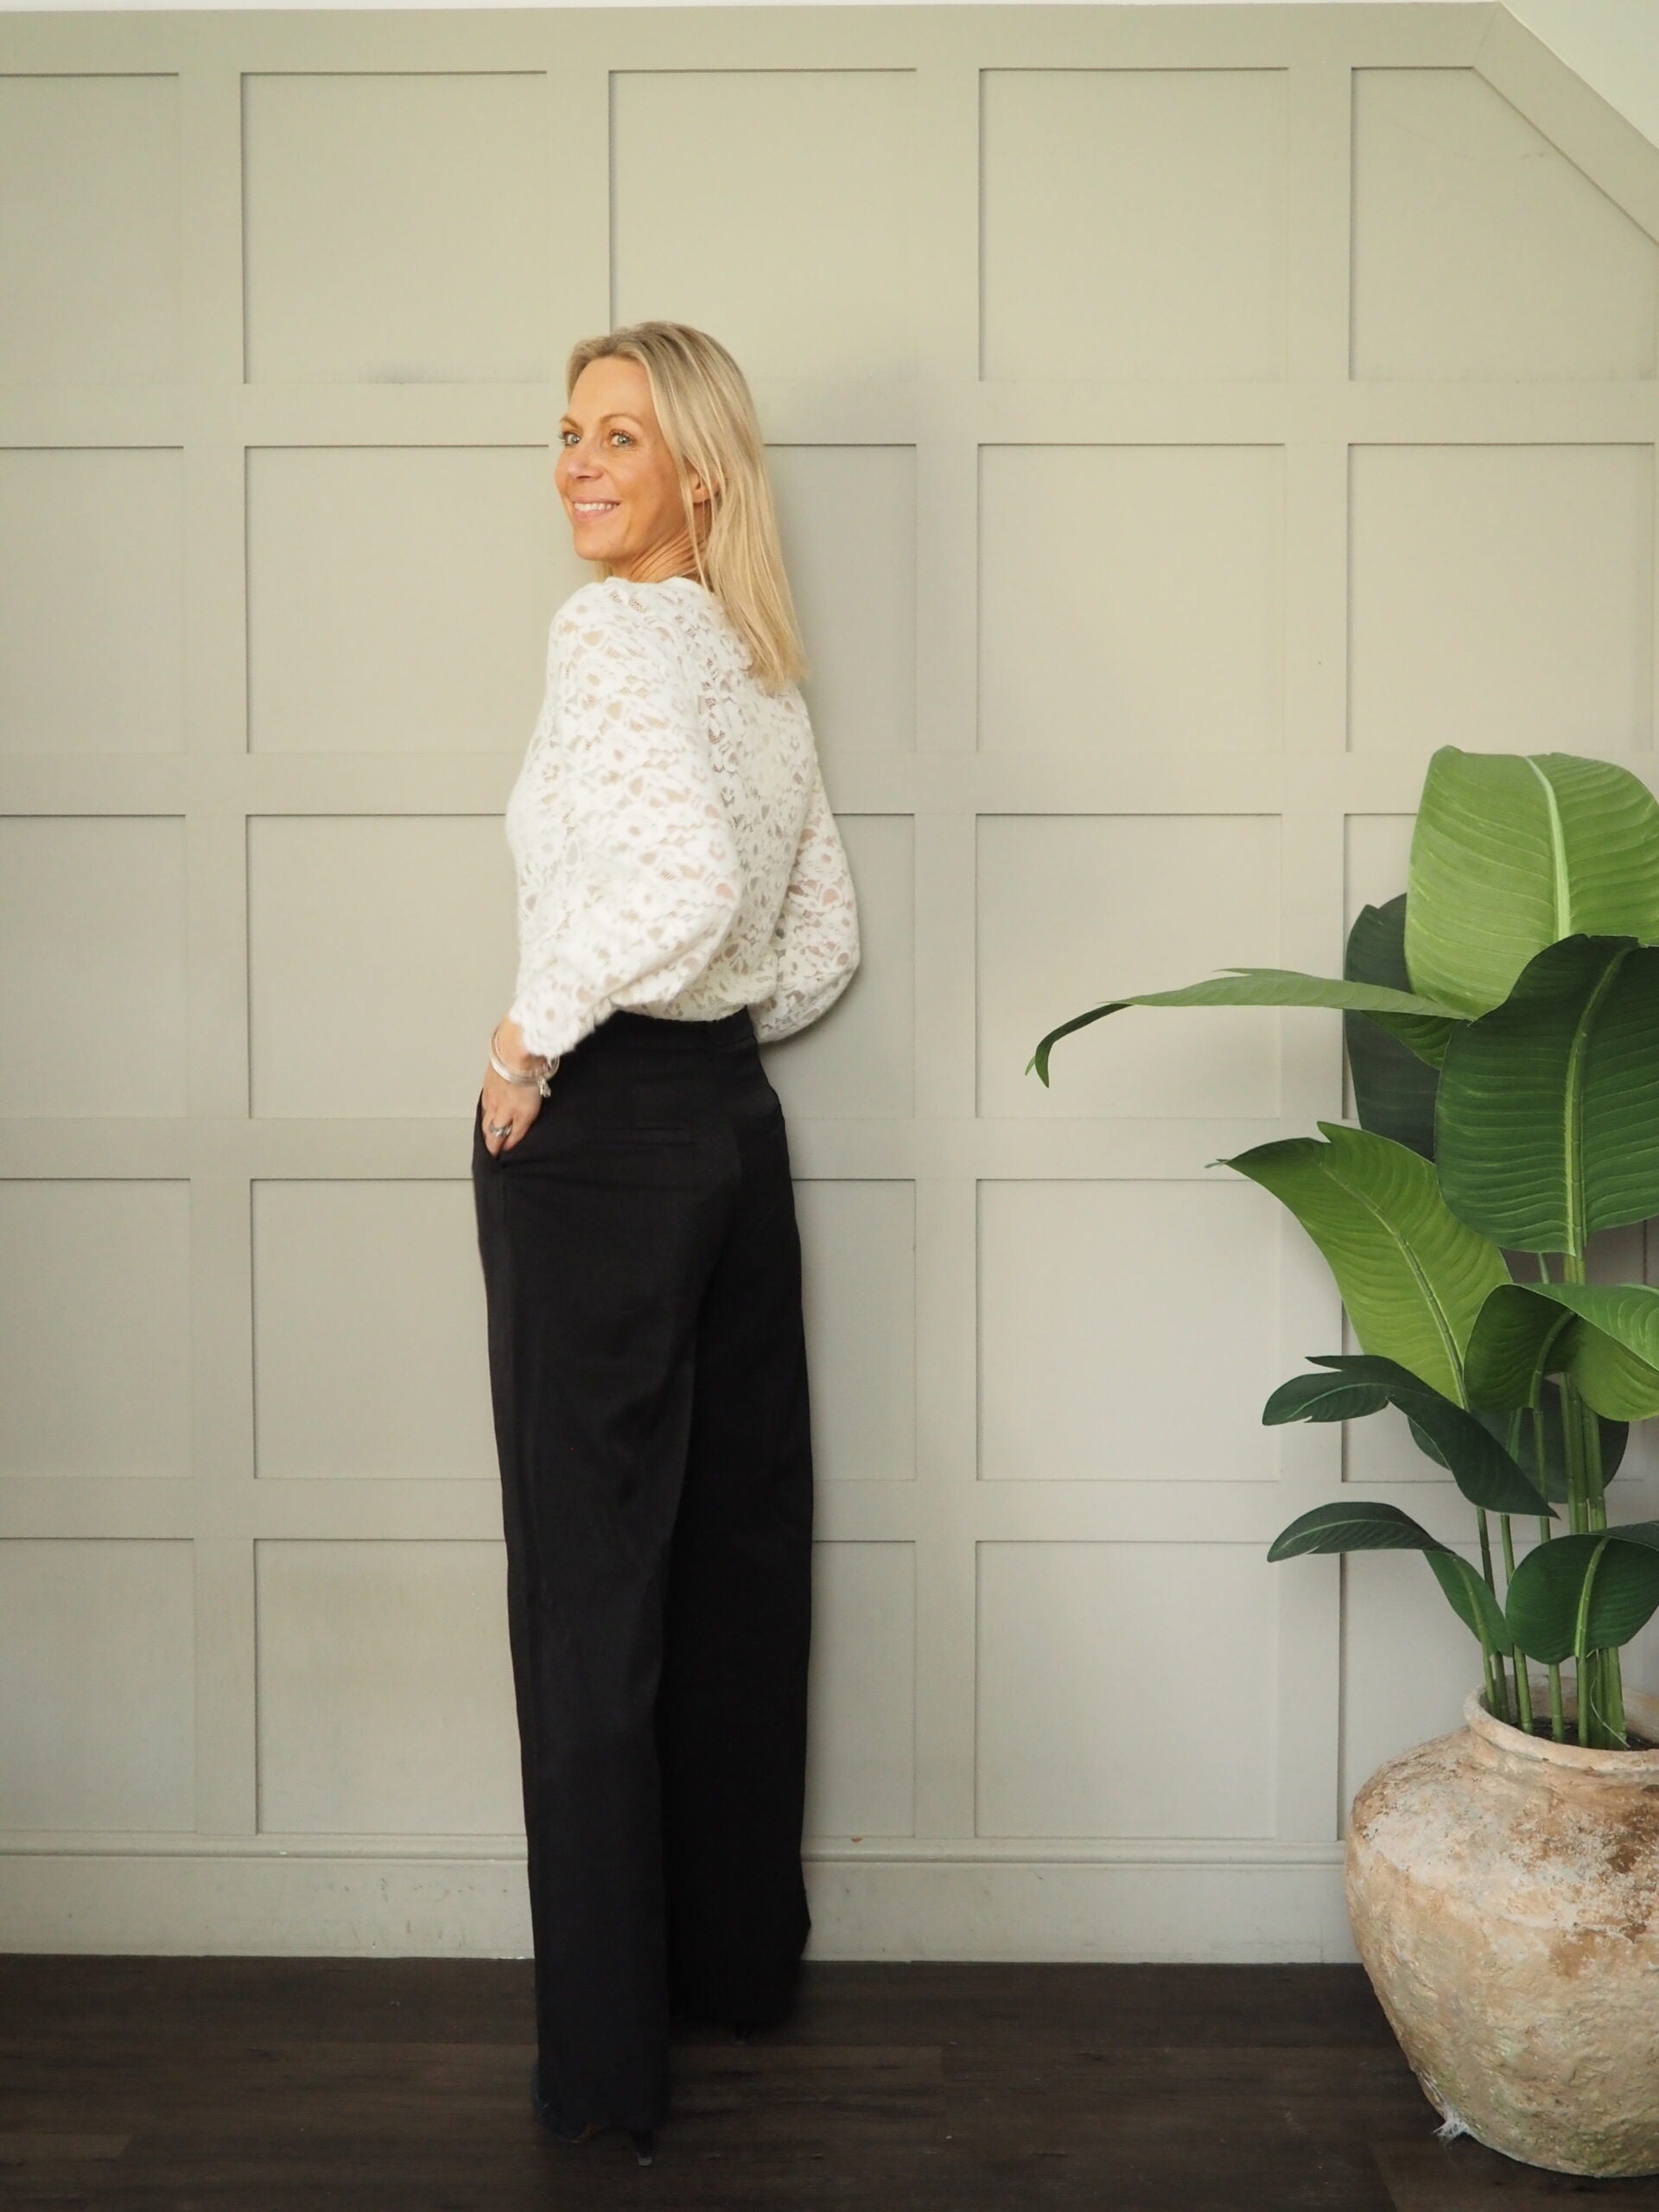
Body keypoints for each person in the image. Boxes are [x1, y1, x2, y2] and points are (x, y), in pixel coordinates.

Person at [471, 321, 860, 2168]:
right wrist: (707, 1050)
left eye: (619, 435)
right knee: (732, 1558)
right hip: (726, 1126)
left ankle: (609, 2069)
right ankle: (735, 1970)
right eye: (568, 431)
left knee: (591, 1595)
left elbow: (687, 883)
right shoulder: (753, 659)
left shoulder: (612, 634)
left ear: (700, 467)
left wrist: (535, 1033)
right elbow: (820, 937)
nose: (577, 461)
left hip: (605, 1134)